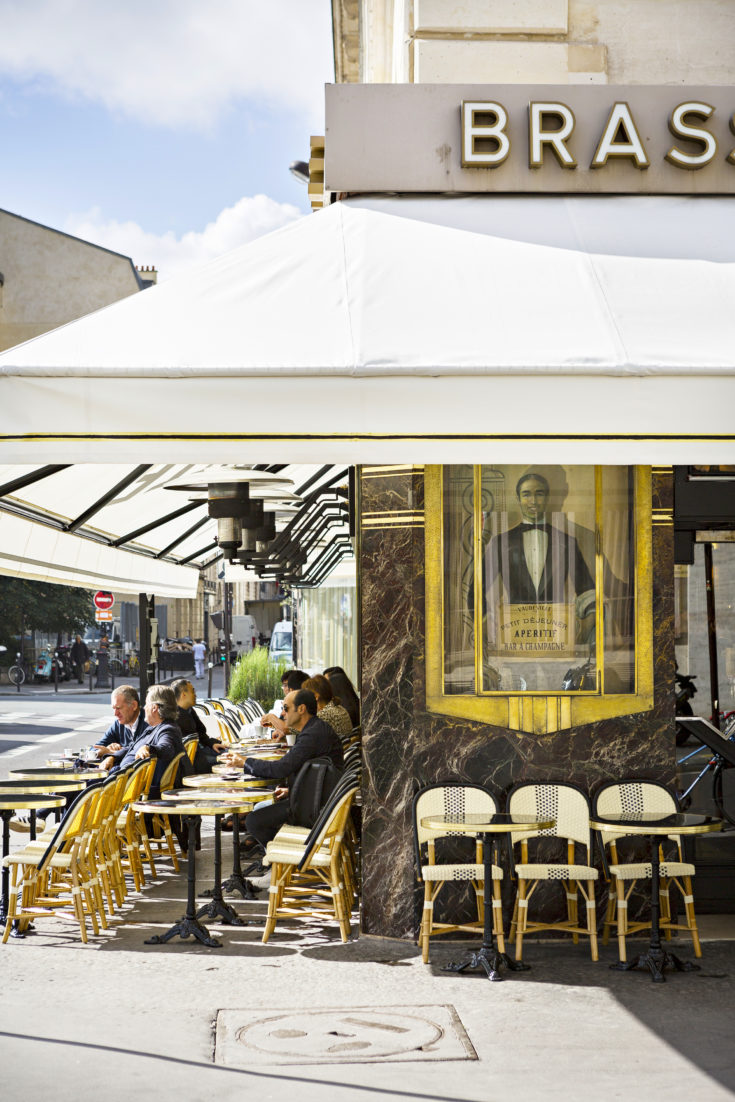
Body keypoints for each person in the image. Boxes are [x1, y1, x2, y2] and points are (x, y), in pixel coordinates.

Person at [222, 688, 343, 849]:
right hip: (319, 799)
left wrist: (245, 762)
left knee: (254, 821)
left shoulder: (312, 734)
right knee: (260, 810)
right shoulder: (315, 729)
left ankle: (289, 858)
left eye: (285, 708)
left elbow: (281, 769)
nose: (282, 714)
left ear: (301, 709)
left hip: (317, 808)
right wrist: (291, 789)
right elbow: (312, 772)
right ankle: (282, 855)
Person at [486, 472, 595, 611]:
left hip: (556, 627)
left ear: (547, 498)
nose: (533, 501)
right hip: (514, 627)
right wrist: (488, 623)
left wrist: (586, 625)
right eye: (526, 494)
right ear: (518, 499)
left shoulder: (567, 542)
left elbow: (587, 591)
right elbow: (475, 592)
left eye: (539, 494)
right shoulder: (500, 543)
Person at [102, 684, 191, 798]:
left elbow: (167, 748)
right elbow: (132, 747)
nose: (144, 708)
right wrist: (112, 757)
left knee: (77, 790)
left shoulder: (167, 729)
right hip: (120, 782)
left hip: (124, 791)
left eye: (146, 704)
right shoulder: (153, 727)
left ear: (154, 708)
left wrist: (148, 748)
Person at [171, 677, 225, 771]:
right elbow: (191, 753)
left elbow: (201, 733)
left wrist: (211, 744)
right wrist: (218, 758)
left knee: (230, 754)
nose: (195, 695)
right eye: (192, 692)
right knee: (230, 760)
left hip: (204, 753)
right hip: (195, 761)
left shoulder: (189, 710)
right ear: (184, 694)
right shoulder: (175, 717)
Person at [92, 685, 149, 758]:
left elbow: (138, 752)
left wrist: (111, 752)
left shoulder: (149, 723)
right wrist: (107, 748)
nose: (115, 713)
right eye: (114, 708)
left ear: (134, 705)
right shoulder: (118, 725)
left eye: (118, 708)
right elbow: (96, 748)